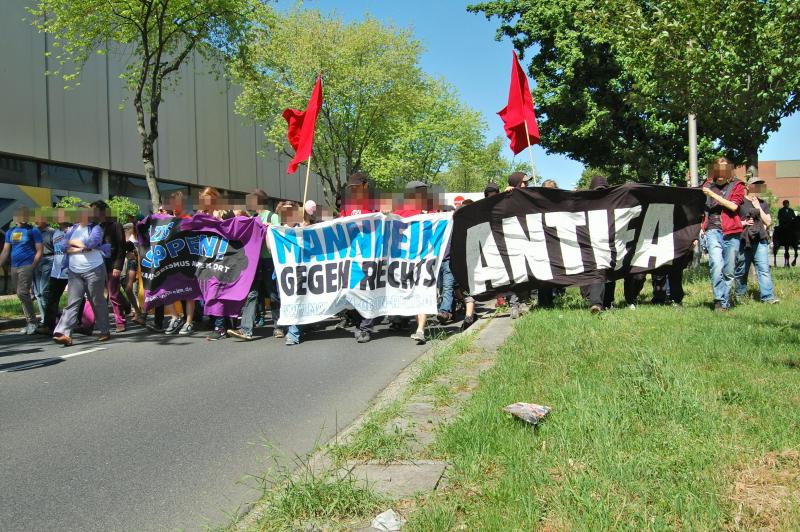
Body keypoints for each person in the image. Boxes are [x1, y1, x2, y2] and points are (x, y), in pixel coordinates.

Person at [52, 206, 111, 346]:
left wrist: (73, 245)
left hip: (94, 270)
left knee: (96, 301)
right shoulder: (72, 229)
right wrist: (81, 248)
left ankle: (104, 330)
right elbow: (62, 246)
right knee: (72, 302)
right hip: (74, 271)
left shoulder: (96, 229)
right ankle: (64, 333)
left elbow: (91, 244)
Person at [227, 189, 280, 341]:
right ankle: (246, 330)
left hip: (269, 260)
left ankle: (278, 327)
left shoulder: (273, 216)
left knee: (273, 294)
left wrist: (269, 227)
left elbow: (278, 235)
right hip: (254, 261)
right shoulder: (252, 218)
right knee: (252, 294)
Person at [340, 172, 379, 343]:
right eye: (351, 188)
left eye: (356, 187)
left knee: (368, 289)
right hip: (352, 254)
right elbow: (339, 223)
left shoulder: (375, 202)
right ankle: (359, 322)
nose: (353, 190)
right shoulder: (348, 204)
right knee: (352, 290)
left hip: (370, 253)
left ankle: (365, 327)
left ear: (365, 185)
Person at [702, 157, 745, 311]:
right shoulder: (707, 185)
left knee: (729, 270)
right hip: (713, 230)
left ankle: (725, 301)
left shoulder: (737, 185)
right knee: (716, 265)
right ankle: (719, 300)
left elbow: (733, 206)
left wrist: (713, 195)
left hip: (732, 231)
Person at [735, 175, 779, 304]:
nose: (758, 187)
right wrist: (743, 223)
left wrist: (757, 206)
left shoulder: (763, 203)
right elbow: (733, 220)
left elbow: (768, 221)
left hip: (760, 240)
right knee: (742, 269)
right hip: (744, 240)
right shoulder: (740, 202)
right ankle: (741, 297)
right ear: (747, 187)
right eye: (755, 184)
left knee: (764, 269)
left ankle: (768, 297)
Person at [0, 206, 43, 334]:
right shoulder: (10, 232)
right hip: (14, 267)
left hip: (27, 265)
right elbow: (5, 251)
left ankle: (32, 322)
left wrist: (32, 266)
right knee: (20, 294)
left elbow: (39, 250)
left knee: (23, 292)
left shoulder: (33, 231)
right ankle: (30, 321)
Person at [90, 201, 127, 332]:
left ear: (103, 211)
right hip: (96, 265)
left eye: (94, 210)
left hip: (111, 265)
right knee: (99, 295)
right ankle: (99, 322)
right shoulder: (92, 227)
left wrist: (118, 266)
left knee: (114, 294)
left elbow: (122, 248)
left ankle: (120, 321)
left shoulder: (115, 226)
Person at [585, 175, 616, 313]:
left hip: (611, 244)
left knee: (609, 273)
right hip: (592, 245)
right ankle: (596, 303)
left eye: (603, 189)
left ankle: (608, 302)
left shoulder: (614, 202)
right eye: (597, 189)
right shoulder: (584, 204)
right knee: (598, 272)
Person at [41, 208, 72, 333]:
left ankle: (81, 322)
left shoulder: (72, 231)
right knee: (52, 298)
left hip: (70, 270)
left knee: (76, 298)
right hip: (56, 271)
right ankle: (49, 325)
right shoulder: (55, 233)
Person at [32, 210, 56, 322]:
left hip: (49, 260)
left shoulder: (52, 232)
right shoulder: (33, 232)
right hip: (36, 261)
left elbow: (58, 250)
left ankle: (49, 319)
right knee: (37, 293)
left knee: (43, 291)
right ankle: (45, 319)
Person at [122, 222, 146, 325]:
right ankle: (135, 310)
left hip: (134, 265)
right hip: (131, 265)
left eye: (127, 229)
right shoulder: (130, 239)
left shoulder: (135, 239)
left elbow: (136, 254)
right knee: (132, 289)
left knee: (132, 289)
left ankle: (136, 311)